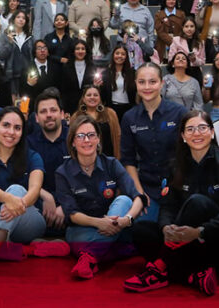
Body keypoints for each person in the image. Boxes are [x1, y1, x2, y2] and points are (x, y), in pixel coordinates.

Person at [125, 110, 219, 295]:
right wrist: (166, 228)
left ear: (212, 132)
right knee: (141, 229)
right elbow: (168, 206)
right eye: (190, 129)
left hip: (215, 238)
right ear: (183, 136)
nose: (197, 133)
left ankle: (161, 267)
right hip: (184, 239)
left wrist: (198, 232)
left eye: (202, 128)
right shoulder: (175, 165)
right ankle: (193, 273)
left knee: (197, 203)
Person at [0, 107, 70, 277]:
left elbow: (34, 190)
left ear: (22, 133)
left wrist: (18, 203)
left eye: (17, 128)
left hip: (29, 219)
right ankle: (30, 249)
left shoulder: (33, 157)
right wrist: (8, 200)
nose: (11, 132)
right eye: (6, 125)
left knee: (17, 189)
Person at [58, 114, 146, 279]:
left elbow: (138, 198)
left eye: (91, 135)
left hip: (115, 223)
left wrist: (126, 220)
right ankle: (105, 251)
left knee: (124, 200)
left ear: (98, 139)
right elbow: (71, 214)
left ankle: (89, 258)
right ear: (73, 142)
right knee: (127, 246)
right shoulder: (62, 172)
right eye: (81, 136)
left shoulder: (112, 164)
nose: (87, 140)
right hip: (82, 228)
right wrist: (100, 223)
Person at [120, 63, 188, 223]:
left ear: (162, 83)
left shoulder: (179, 113)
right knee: (142, 231)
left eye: (152, 81)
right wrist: (139, 193)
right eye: (142, 82)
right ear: (135, 84)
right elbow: (128, 160)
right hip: (147, 188)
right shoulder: (129, 118)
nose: (147, 87)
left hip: (178, 188)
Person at [25, 88, 70, 233]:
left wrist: (66, 205)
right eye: (43, 112)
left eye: (53, 110)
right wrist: (44, 195)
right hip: (40, 203)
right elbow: (22, 177)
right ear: (36, 118)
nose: (49, 115)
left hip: (72, 203)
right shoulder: (28, 143)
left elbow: (86, 178)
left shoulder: (75, 139)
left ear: (62, 114)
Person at [69, 84, 120, 159]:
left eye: (95, 95)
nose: (92, 97)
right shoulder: (76, 117)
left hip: (108, 159)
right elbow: (71, 139)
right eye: (89, 95)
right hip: (84, 160)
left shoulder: (110, 113)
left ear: (100, 98)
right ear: (83, 98)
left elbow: (118, 136)